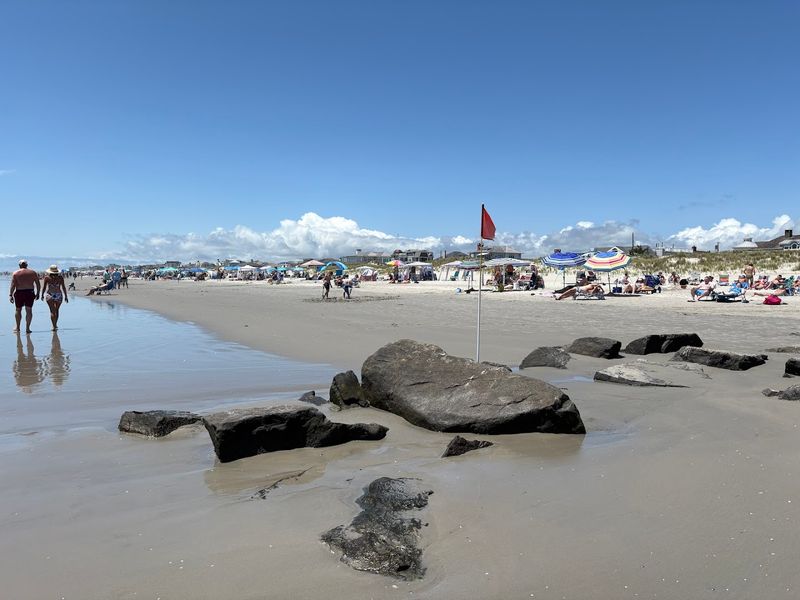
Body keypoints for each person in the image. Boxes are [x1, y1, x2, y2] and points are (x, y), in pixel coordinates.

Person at [9, 259, 41, 333]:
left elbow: (13, 285)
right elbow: (38, 284)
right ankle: (27, 328)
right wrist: (38, 293)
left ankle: (18, 327)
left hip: (19, 292)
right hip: (29, 292)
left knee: (18, 310)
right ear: (26, 265)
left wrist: (10, 295)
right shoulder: (32, 272)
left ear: (19, 265)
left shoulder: (15, 273)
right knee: (29, 310)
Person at [41, 265, 68, 330]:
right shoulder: (60, 278)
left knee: (52, 311)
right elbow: (63, 287)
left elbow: (44, 287)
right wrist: (66, 296)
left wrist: (41, 294)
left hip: (50, 295)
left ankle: (53, 326)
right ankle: (55, 324)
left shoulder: (47, 278)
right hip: (58, 295)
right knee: (57, 310)